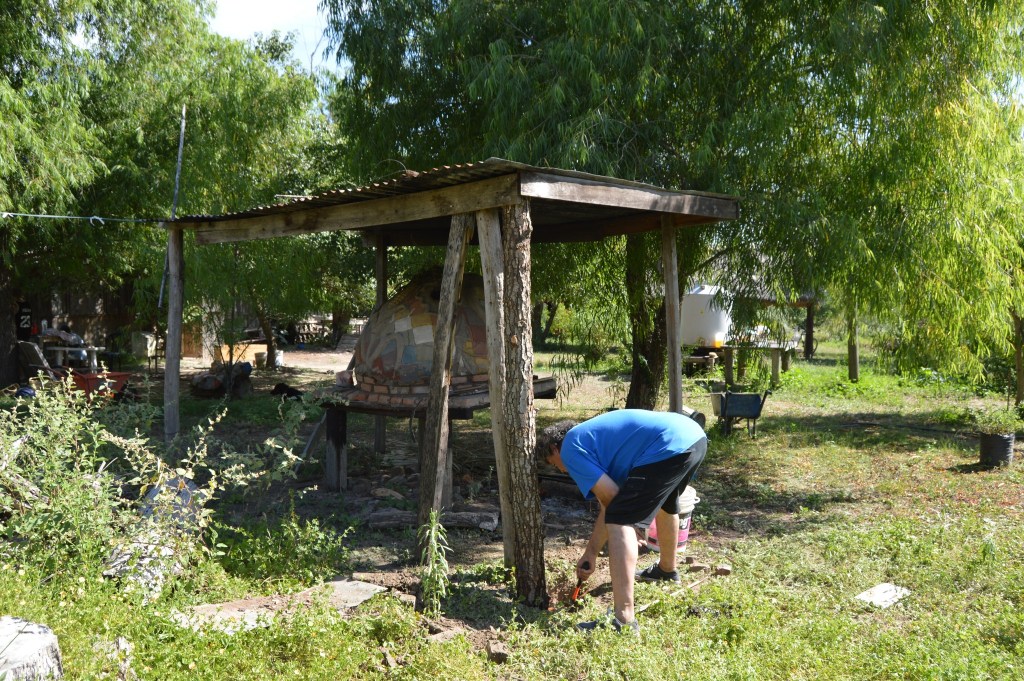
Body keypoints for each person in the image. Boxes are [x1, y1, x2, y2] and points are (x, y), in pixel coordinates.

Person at [539, 409, 707, 632]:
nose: (561, 469)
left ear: (554, 448)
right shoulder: (595, 442)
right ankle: (666, 571)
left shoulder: (570, 448)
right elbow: (609, 502)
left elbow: (613, 501)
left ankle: (623, 621)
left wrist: (631, 526)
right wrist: (591, 552)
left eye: (554, 464)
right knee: (665, 504)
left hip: (669, 445)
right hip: (693, 437)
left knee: (620, 520)